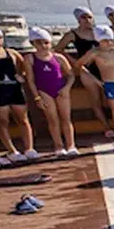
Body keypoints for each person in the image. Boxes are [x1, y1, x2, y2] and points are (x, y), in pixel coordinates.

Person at [57, 6, 114, 137]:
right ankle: (107, 127)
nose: (87, 20)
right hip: (86, 70)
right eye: (84, 17)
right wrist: (74, 62)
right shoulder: (73, 34)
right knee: (96, 100)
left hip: (103, 68)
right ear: (78, 19)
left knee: (112, 98)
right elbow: (58, 49)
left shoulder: (99, 32)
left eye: (89, 17)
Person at [22, 27, 78, 156]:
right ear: (33, 44)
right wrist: (37, 97)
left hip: (61, 90)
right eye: (38, 43)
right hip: (44, 91)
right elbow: (30, 80)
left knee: (66, 118)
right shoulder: (30, 58)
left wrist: (66, 88)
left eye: (45, 42)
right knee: (52, 119)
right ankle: (58, 146)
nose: (43, 46)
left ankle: (71, 145)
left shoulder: (59, 58)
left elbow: (71, 75)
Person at [0, 25, 37, 161]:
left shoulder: (11, 53)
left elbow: (24, 66)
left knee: (23, 119)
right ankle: (11, 150)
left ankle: (29, 147)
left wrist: (22, 76)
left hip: (14, 89)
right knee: (2, 121)